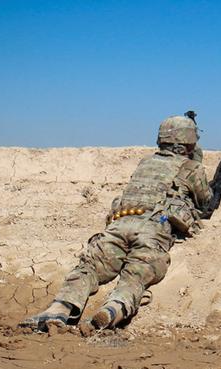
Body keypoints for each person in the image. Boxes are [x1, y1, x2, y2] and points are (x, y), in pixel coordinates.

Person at [20, 115, 210, 333]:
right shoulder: (191, 168)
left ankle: (58, 309)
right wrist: (196, 162)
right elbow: (204, 202)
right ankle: (114, 308)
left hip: (119, 224)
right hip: (154, 228)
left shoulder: (145, 163)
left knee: (89, 268)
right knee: (138, 272)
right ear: (189, 141)